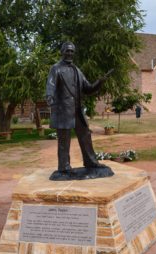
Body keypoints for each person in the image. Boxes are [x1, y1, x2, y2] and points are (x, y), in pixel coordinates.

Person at [46, 41, 113, 175]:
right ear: (62, 52)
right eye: (67, 51)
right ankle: (64, 167)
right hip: (63, 110)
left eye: (72, 51)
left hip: (77, 111)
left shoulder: (77, 70)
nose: (69, 53)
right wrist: (49, 96)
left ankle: (90, 161)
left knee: (85, 135)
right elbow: (51, 84)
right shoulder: (56, 68)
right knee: (64, 141)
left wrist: (100, 82)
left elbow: (88, 89)